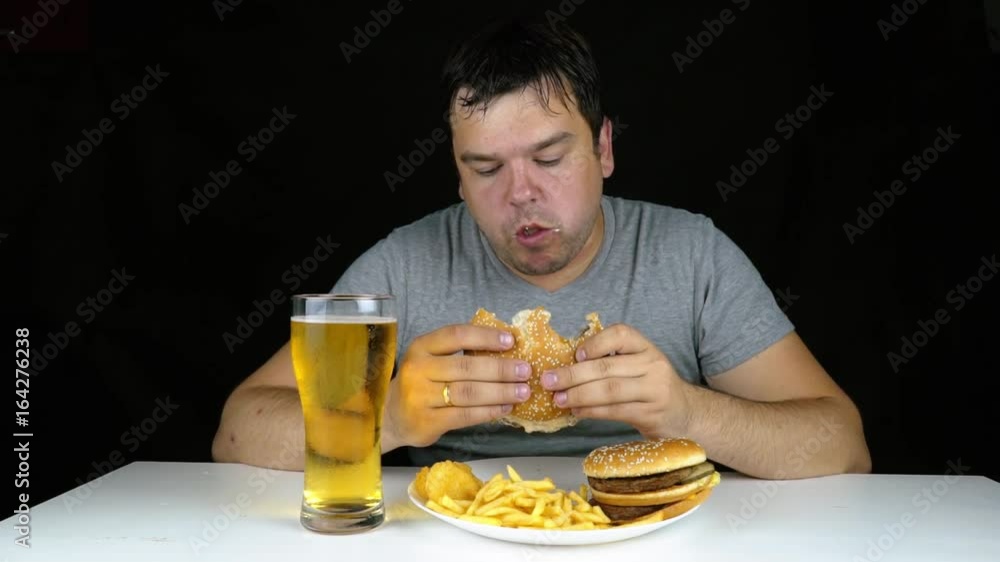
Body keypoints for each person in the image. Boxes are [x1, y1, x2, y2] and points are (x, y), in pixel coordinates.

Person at [211, 17, 871, 479]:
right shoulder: (405, 265)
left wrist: (688, 411)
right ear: (458, 174)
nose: (522, 194)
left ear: (604, 147)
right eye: (487, 168)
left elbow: (842, 444)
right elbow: (238, 430)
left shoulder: (690, 254)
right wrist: (386, 418)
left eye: (550, 157)